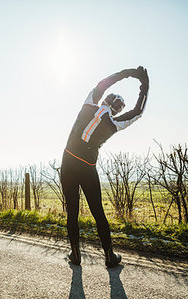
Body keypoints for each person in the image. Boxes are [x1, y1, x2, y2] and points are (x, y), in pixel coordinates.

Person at [61, 66, 149, 267]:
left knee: (72, 211)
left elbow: (104, 83)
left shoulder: (89, 104)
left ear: (105, 100)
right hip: (87, 167)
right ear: (118, 109)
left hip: (68, 162)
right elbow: (138, 112)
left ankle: (75, 254)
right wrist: (144, 85)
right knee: (97, 211)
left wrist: (129, 73)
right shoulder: (114, 123)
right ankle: (109, 256)